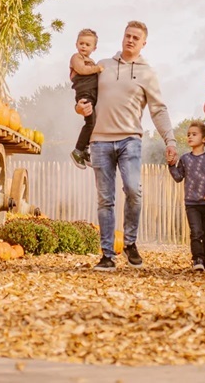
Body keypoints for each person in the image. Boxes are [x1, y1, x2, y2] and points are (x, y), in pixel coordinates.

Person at [74, 20, 175, 271]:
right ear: (123, 37)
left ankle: (129, 242)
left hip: (130, 139)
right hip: (99, 141)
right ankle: (107, 254)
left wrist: (170, 140)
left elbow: (158, 110)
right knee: (105, 199)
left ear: (143, 43)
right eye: (127, 35)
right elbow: (84, 92)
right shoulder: (103, 66)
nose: (130, 40)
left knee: (133, 190)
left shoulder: (147, 73)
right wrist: (79, 107)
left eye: (136, 38)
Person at [167, 120, 205, 270]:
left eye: (194, 134)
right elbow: (178, 177)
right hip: (191, 203)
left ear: (204, 139)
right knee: (196, 232)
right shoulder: (185, 159)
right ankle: (197, 259)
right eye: (188, 134)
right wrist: (171, 165)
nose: (190, 137)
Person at [68, 28, 101, 168]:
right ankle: (78, 150)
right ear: (76, 44)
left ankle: (85, 150)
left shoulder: (92, 61)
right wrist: (98, 68)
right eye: (81, 43)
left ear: (94, 48)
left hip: (92, 95)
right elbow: (82, 70)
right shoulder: (77, 58)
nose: (83, 46)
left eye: (88, 45)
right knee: (90, 123)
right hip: (84, 94)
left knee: (94, 122)